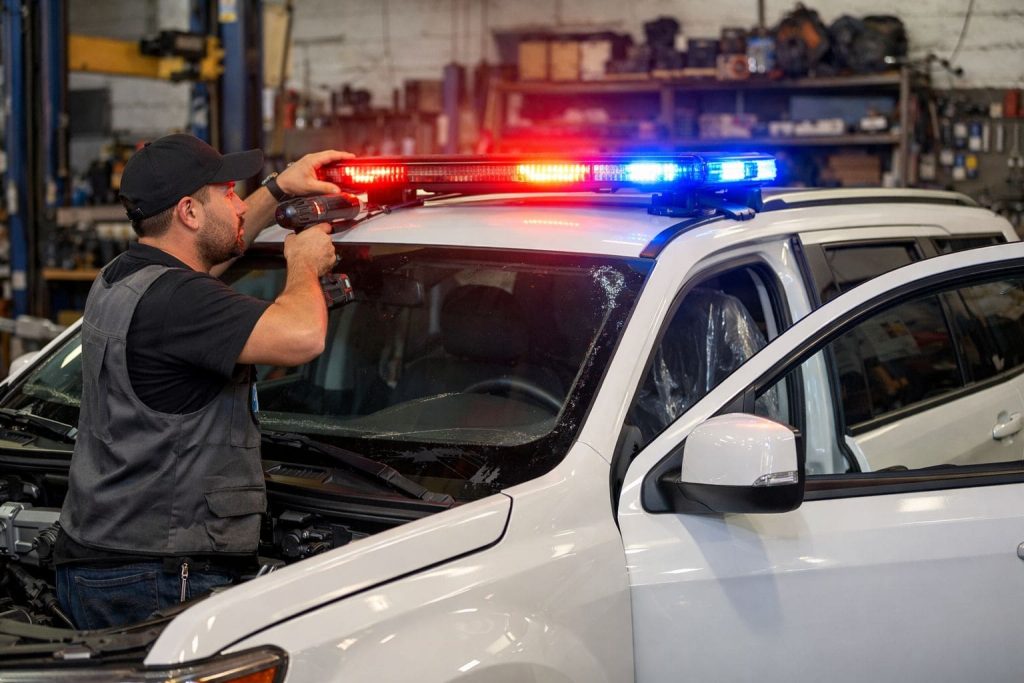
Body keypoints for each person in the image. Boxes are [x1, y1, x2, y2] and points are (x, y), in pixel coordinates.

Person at [54, 133, 349, 630]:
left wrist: (278, 189)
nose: (240, 204)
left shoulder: (123, 275)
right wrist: (302, 264)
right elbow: (303, 336)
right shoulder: (180, 303)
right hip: (159, 576)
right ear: (189, 212)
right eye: (228, 193)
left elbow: (215, 251)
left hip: (102, 554)